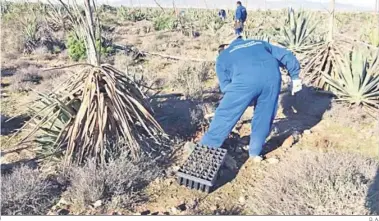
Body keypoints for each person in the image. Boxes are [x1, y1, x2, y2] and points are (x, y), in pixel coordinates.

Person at [200, 36, 302, 160]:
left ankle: (205, 151)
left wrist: (243, 97)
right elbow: (286, 55)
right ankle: (255, 152)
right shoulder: (259, 43)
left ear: (226, 46)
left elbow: (226, 86)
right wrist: (295, 76)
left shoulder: (222, 56)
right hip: (272, 78)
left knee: (225, 115)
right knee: (264, 116)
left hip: (244, 83)